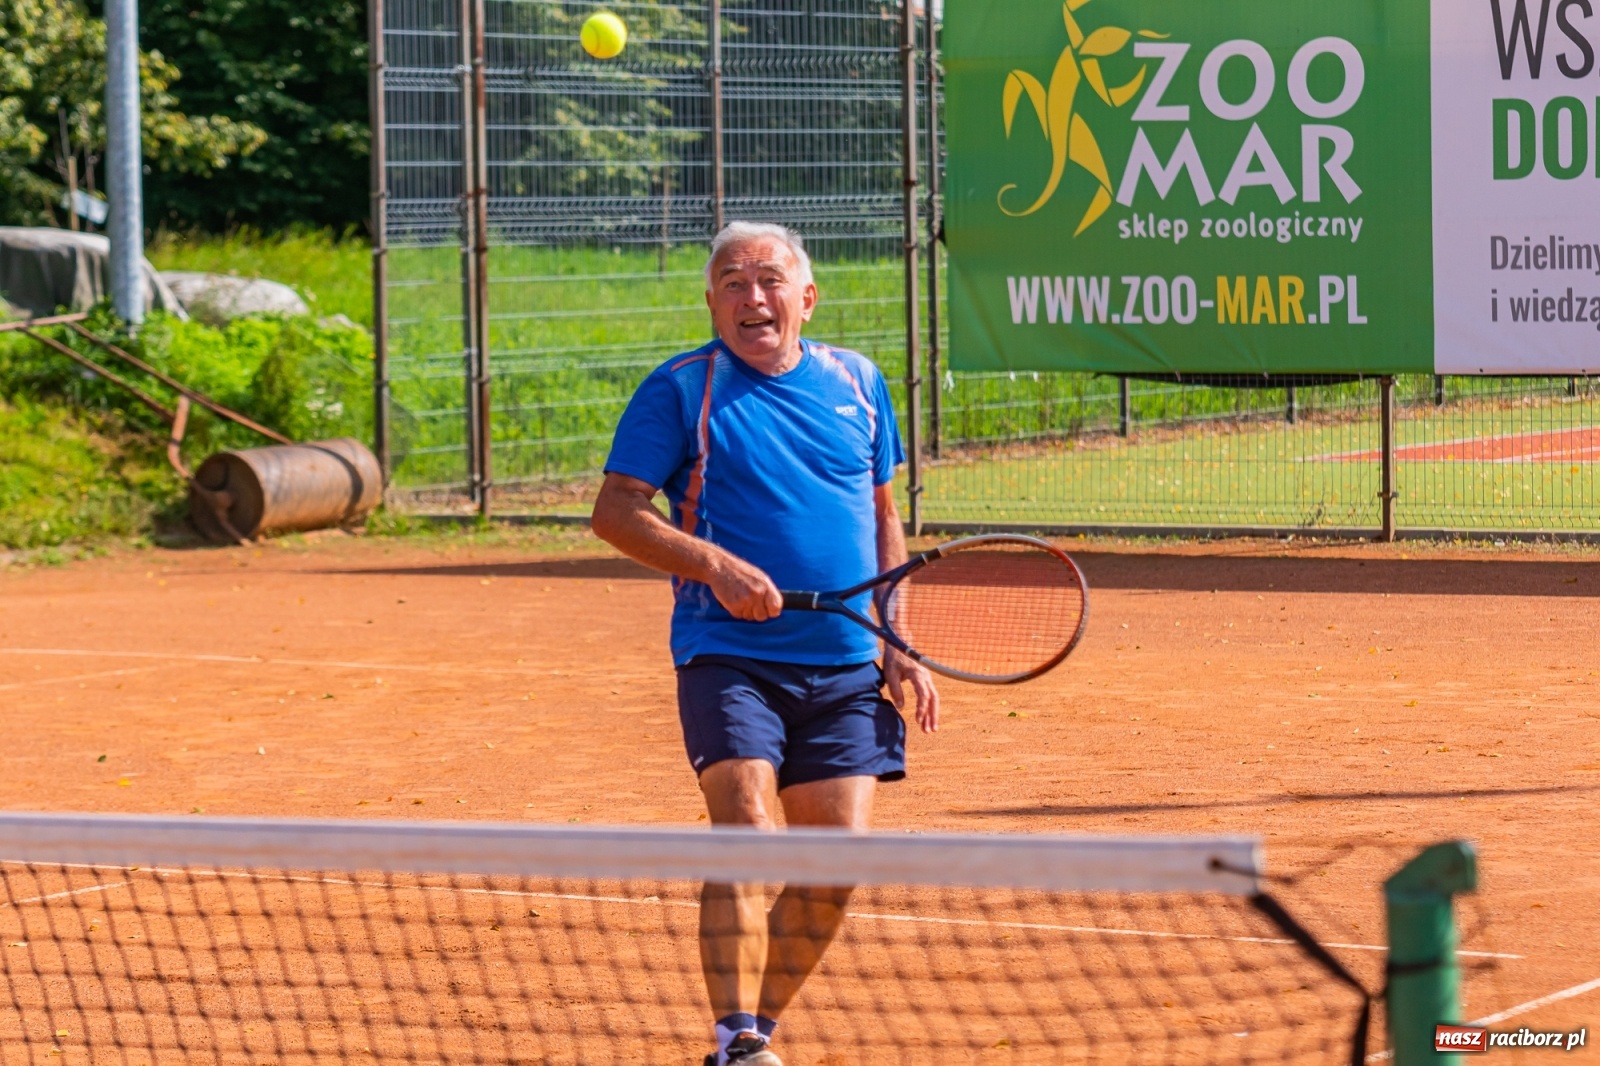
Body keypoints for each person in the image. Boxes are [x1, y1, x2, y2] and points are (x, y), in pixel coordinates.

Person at [591, 221, 940, 1066]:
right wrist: (716, 568)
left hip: (845, 661)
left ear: (806, 297)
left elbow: (884, 515)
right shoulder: (681, 390)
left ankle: (755, 1032)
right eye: (735, 284)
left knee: (832, 868)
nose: (755, 298)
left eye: (771, 281)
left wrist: (895, 634)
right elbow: (616, 512)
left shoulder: (858, 382)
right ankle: (737, 1036)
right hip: (728, 657)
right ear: (711, 301)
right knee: (747, 827)